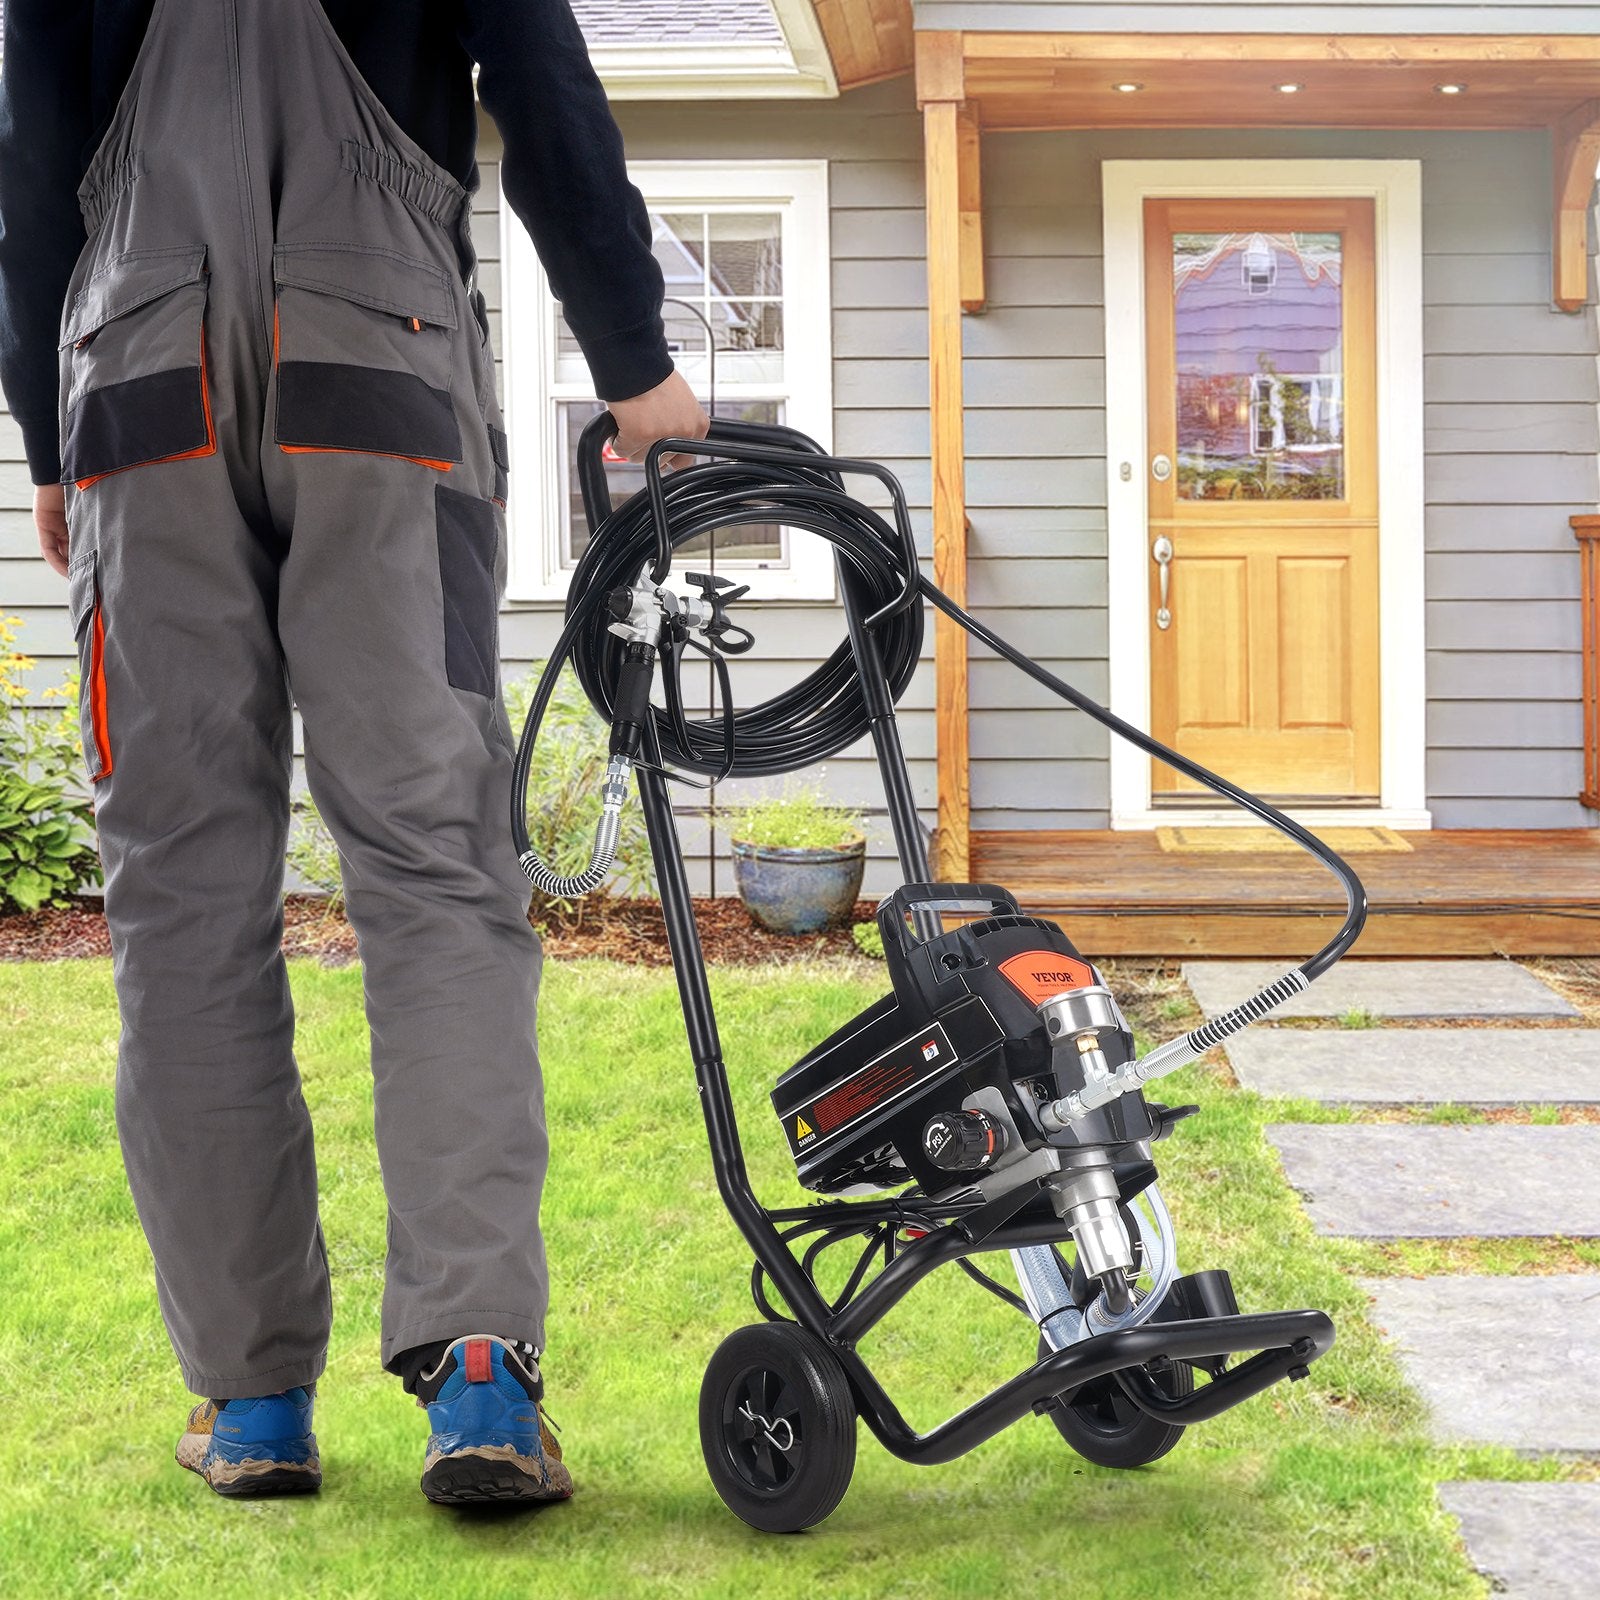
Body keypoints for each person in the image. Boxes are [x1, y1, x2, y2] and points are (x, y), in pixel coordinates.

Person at [0, 0, 708, 1506]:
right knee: (437, 871)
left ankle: (253, 1402)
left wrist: (47, 435)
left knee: (183, 899)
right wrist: (634, 363)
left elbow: (34, 156)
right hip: (377, 372)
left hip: (141, 381)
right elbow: (543, 94)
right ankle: (474, 1371)